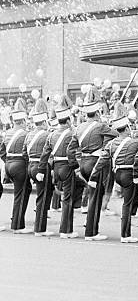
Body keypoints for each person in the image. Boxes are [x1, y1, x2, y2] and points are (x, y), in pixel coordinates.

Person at [67, 86, 118, 241]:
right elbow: (116, 135)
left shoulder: (79, 127)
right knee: (96, 197)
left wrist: (76, 167)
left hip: (83, 163)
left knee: (91, 195)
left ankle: (90, 225)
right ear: (97, 112)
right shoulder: (101, 126)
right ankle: (91, 231)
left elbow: (70, 149)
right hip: (96, 163)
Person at [94, 102, 138, 243]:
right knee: (127, 204)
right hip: (129, 174)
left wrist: (93, 176)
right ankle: (126, 235)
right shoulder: (135, 142)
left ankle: (126, 231)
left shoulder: (111, 144)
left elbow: (102, 161)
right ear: (128, 128)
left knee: (128, 201)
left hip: (118, 174)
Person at [42, 94, 82, 239]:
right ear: (68, 120)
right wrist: (75, 166)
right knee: (67, 200)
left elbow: (46, 153)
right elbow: (73, 153)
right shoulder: (72, 133)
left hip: (56, 167)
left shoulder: (51, 134)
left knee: (65, 197)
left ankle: (66, 228)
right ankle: (66, 230)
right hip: (66, 167)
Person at [1, 98, 33, 233]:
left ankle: (16, 218)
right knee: (21, 193)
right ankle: (18, 225)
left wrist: (8, 160)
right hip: (20, 165)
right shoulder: (26, 134)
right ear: (23, 121)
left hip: (9, 164)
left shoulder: (7, 133)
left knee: (23, 190)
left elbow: (1, 150)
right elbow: (28, 153)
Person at [26, 99, 54, 237]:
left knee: (40, 196)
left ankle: (39, 226)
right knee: (43, 197)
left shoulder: (29, 134)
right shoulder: (47, 134)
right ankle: (40, 229)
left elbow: (25, 152)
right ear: (44, 122)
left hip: (30, 166)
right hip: (41, 167)